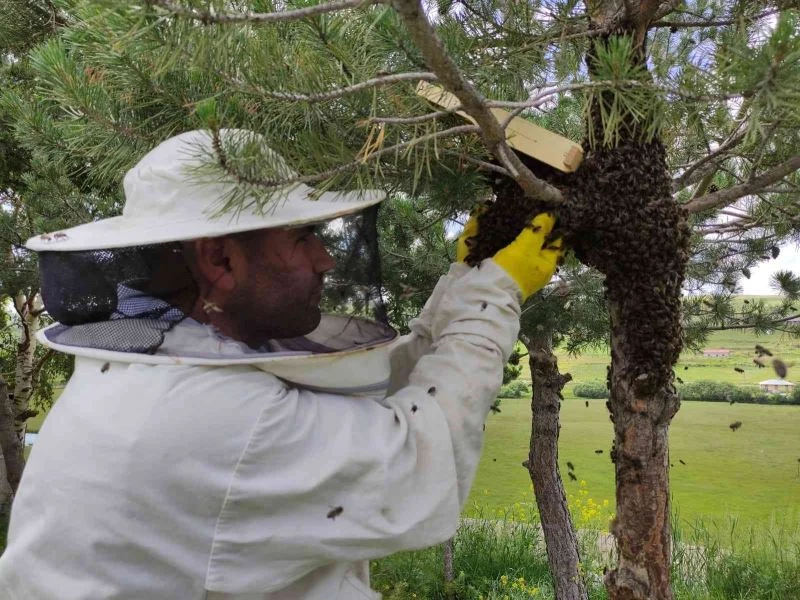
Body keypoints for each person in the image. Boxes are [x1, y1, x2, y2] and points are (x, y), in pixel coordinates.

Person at [0, 129, 561, 599]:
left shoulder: (174, 359)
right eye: (303, 236)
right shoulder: (215, 416)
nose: (327, 258)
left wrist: (462, 282)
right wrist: (495, 297)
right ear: (220, 259)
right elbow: (418, 453)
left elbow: (367, 387)